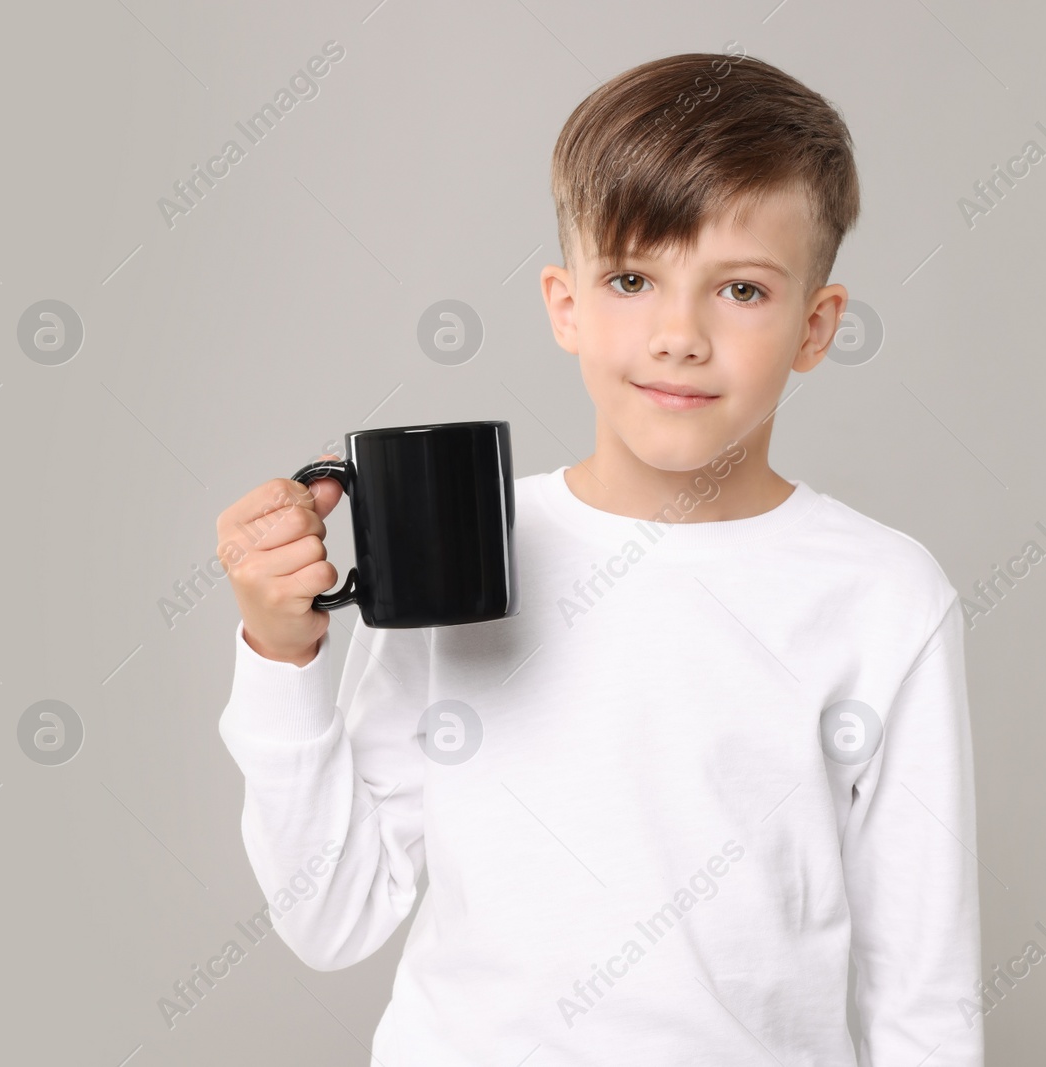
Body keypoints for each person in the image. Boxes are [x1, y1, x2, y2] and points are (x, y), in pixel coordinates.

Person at [215, 47, 981, 1066]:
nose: (678, 334)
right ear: (564, 303)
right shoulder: (466, 554)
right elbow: (334, 916)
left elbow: (921, 993)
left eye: (741, 290)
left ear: (815, 324)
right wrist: (279, 655)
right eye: (631, 278)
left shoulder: (883, 596)